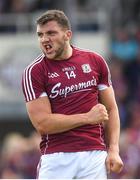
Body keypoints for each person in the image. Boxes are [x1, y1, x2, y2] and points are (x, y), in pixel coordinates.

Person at [22, 9, 123, 179]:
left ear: (67, 35)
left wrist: (113, 149)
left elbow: (111, 109)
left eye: (51, 33)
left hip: (94, 155)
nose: (44, 39)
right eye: (40, 35)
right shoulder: (34, 72)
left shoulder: (95, 61)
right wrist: (87, 118)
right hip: (56, 158)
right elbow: (43, 123)